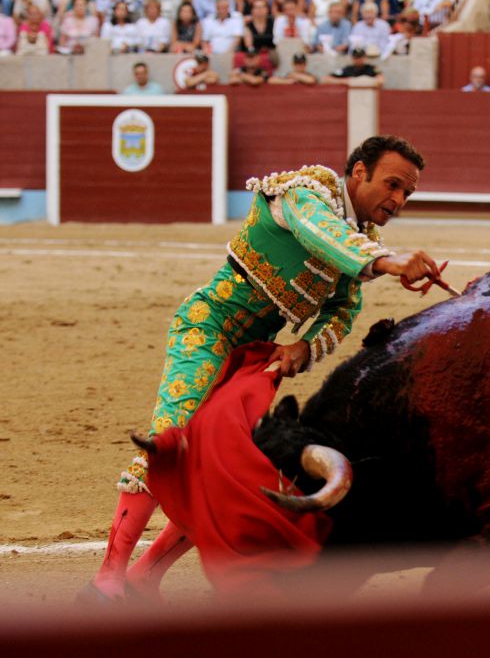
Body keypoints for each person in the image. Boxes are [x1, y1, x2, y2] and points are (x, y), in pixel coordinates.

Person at [81, 135, 441, 603]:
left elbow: (343, 310)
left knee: (221, 466)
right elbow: (320, 234)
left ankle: (145, 575)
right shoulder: (303, 191)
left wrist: (304, 348)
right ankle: (108, 578)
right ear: (358, 173)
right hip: (208, 327)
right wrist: (388, 262)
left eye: (407, 193)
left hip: (255, 353)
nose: (398, 200)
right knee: (173, 436)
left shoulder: (364, 240)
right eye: (392, 185)